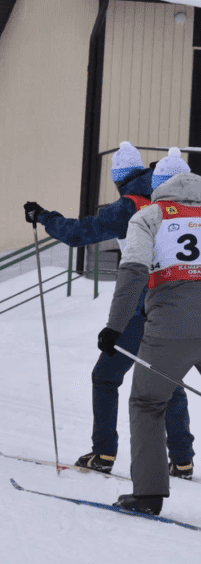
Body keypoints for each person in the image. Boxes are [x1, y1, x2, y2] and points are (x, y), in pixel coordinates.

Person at [24, 141, 194, 480]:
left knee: (105, 377)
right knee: (166, 377)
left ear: (119, 178)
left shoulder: (131, 205)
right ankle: (182, 459)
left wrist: (44, 217)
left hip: (143, 305)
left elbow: (79, 233)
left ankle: (103, 452)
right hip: (178, 304)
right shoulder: (176, 202)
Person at [96, 147, 199, 515]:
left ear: (158, 186)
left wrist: (115, 326)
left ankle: (148, 495)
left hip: (171, 326)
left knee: (147, 402)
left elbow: (133, 272)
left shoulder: (149, 217)